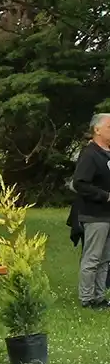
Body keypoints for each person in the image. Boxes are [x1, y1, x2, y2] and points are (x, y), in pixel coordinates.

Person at [71, 113, 110, 309]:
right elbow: (80, 183)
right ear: (97, 130)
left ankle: (99, 296)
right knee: (93, 257)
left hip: (108, 215)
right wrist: (105, 196)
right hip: (95, 214)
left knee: (105, 259)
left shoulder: (107, 154)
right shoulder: (90, 154)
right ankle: (87, 298)